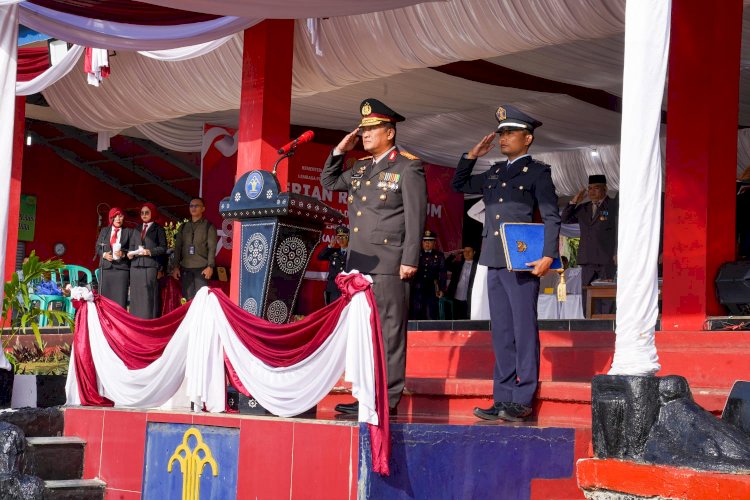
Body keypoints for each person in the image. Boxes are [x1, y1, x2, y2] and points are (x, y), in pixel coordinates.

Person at [452, 104, 560, 422]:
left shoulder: (538, 173)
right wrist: (471, 155)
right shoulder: (496, 172)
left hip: (523, 259)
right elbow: (459, 186)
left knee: (523, 328)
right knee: (500, 330)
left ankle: (521, 397)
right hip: (494, 258)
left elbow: (551, 216)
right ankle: (501, 396)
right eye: (501, 133)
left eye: (510, 132)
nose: (503, 137)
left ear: (527, 139)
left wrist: (549, 255)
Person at [321, 98, 427, 415]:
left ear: (390, 133)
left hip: (389, 262)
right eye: (363, 130)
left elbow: (416, 216)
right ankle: (367, 394)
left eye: (373, 129)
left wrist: (410, 258)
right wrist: (341, 149)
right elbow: (328, 181)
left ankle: (387, 399)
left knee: (389, 332)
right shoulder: (360, 168)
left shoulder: (408, 167)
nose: (365, 134)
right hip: (360, 264)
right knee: (364, 333)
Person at [561, 174, 618, 314]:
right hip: (587, 259)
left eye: (596, 188)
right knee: (587, 293)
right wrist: (574, 201)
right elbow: (565, 219)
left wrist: (617, 252)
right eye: (589, 188)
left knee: (606, 293)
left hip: (606, 258)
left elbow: (619, 230)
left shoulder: (613, 205)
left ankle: (607, 323)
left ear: (605, 189)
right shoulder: (584, 208)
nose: (592, 192)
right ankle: (589, 321)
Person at [171, 197, 218, 301]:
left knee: (201, 300)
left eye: (196, 206)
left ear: (203, 209)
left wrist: (210, 266)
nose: (193, 208)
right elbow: (178, 248)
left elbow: (212, 248)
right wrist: (175, 267)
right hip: (185, 268)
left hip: (202, 269)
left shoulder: (208, 226)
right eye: (191, 206)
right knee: (187, 300)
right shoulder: (183, 227)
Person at [128, 202, 167, 319]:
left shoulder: (158, 229)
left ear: (152, 213)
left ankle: (148, 321)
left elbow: (163, 248)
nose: (144, 215)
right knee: (136, 295)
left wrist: (149, 251)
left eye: (147, 212)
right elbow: (132, 246)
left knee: (148, 296)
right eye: (142, 213)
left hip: (150, 266)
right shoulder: (137, 228)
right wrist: (130, 254)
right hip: (135, 266)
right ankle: (136, 321)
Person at [95, 207, 132, 309]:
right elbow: (97, 247)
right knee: (105, 300)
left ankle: (119, 323)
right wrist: (104, 255)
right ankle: (105, 321)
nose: (118, 219)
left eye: (120, 216)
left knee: (120, 300)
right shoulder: (105, 231)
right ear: (111, 218)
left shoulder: (128, 232)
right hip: (106, 269)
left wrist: (123, 254)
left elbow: (132, 249)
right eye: (115, 216)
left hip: (121, 270)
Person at [411, 230, 447, 320]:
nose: (427, 243)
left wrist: (442, 289)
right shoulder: (416, 254)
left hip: (432, 288)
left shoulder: (439, 256)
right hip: (417, 288)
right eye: (425, 241)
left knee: (431, 313)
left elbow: (442, 273)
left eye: (430, 241)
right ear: (422, 242)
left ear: (434, 243)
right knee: (416, 312)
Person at [317, 225, 350, 304]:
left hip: (345, 288)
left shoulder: (352, 253)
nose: (341, 240)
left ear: (348, 238)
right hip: (332, 288)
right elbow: (320, 257)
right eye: (338, 237)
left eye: (343, 237)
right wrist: (330, 246)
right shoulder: (333, 252)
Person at [445, 246, 478, 320]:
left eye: (469, 251)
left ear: (474, 252)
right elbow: (445, 264)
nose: (467, 253)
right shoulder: (457, 264)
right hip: (456, 296)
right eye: (465, 251)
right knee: (456, 318)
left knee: (468, 319)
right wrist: (454, 254)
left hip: (470, 297)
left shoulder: (478, 266)